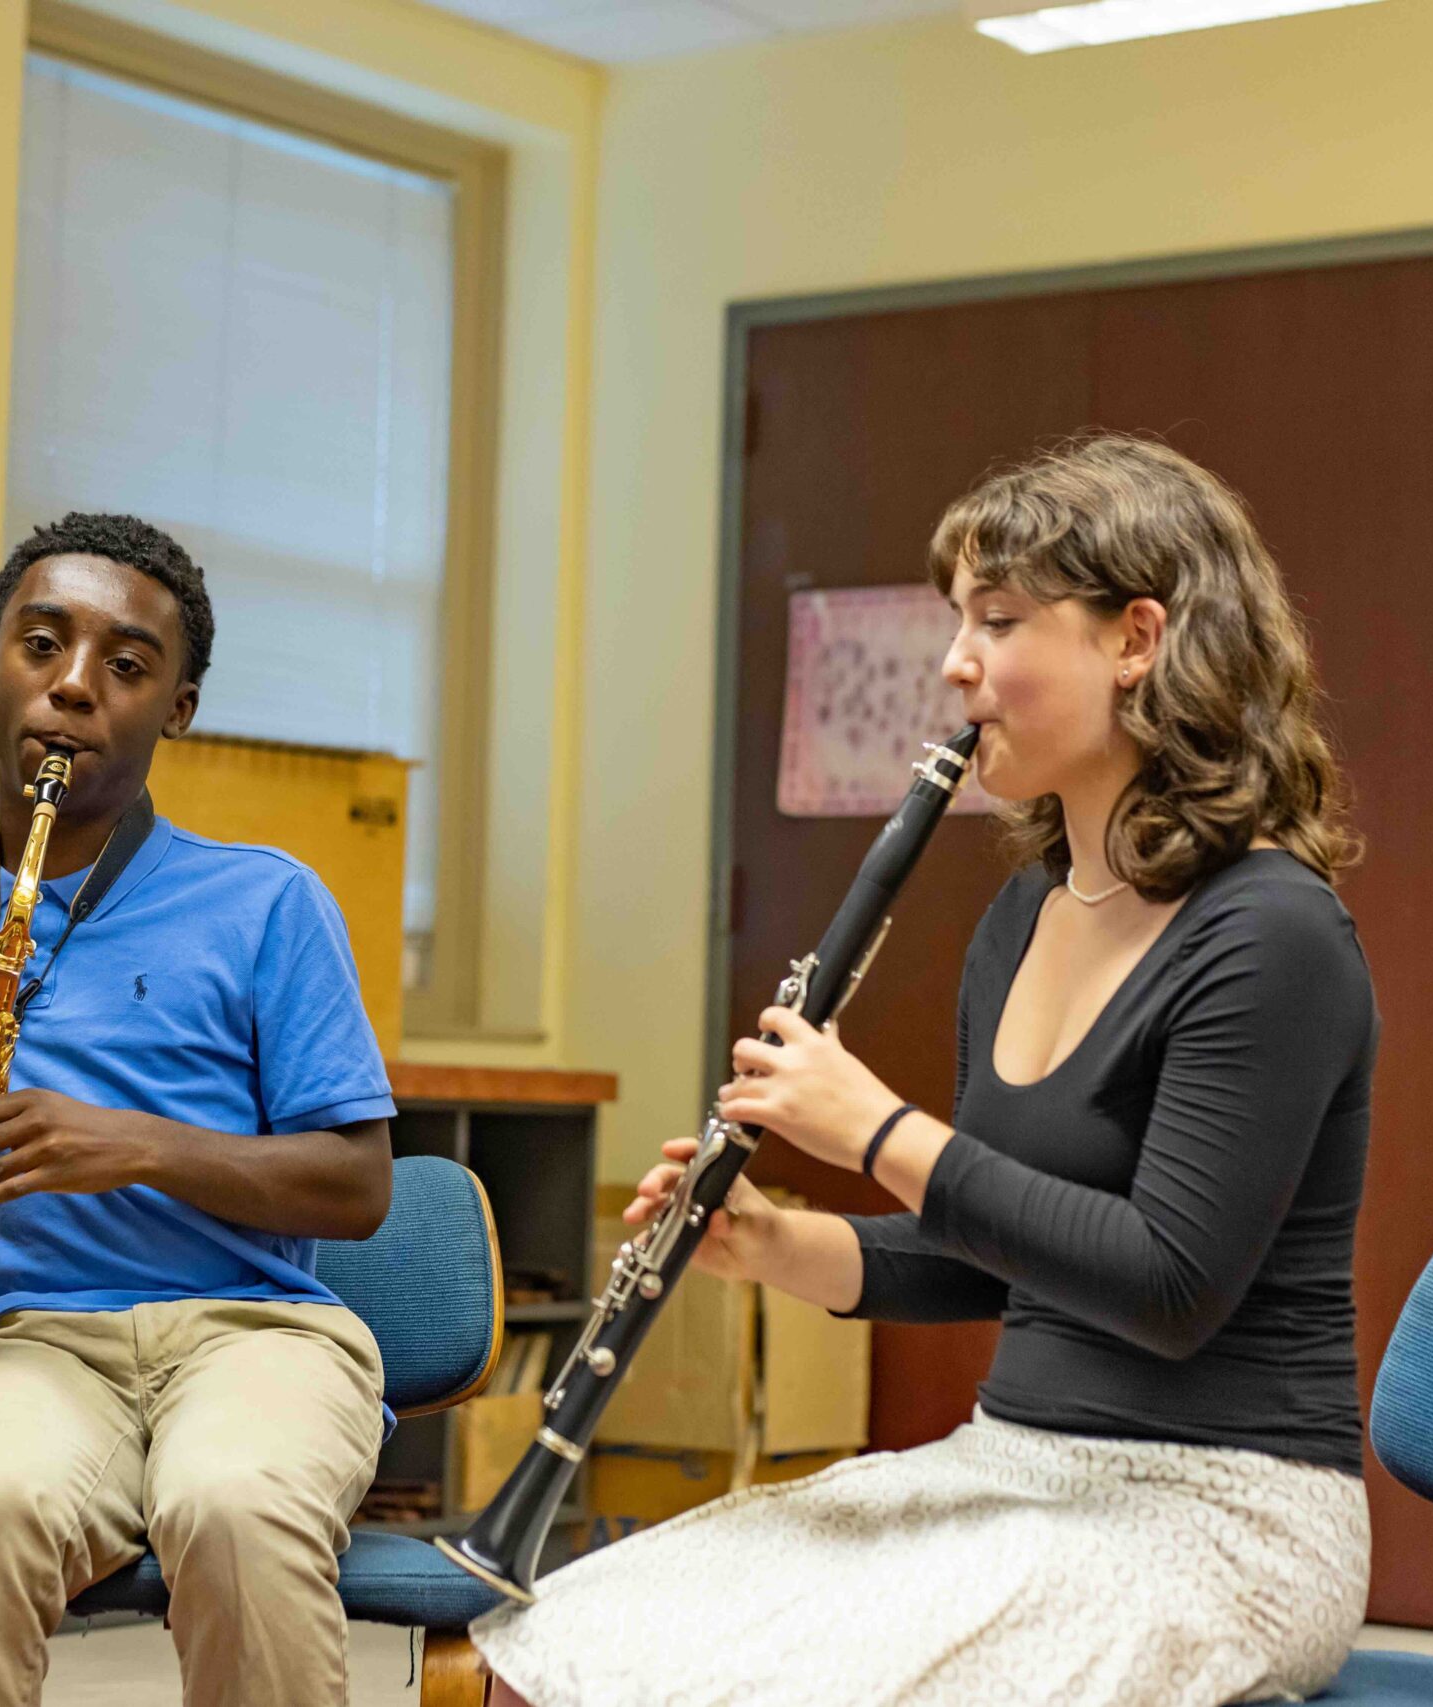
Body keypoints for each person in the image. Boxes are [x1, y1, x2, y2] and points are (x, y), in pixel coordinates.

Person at [474, 435, 1379, 1707]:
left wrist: (878, 1130)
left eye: (998, 620)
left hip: (1220, 1514)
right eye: (955, 620)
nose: (954, 663)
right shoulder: (1021, 915)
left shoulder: (1271, 935)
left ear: (1136, 639)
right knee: (554, 1644)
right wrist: (775, 1246)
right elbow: (995, 1252)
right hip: (1010, 1472)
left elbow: (1168, 1282)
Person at [0, 512, 396, 1707]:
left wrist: (135, 1146)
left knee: (231, 1506)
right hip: (18, 1340)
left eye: (127, 667)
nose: (74, 688)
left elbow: (357, 1185)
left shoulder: (268, 901)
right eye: (42, 645)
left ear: (176, 709)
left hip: (255, 1334)